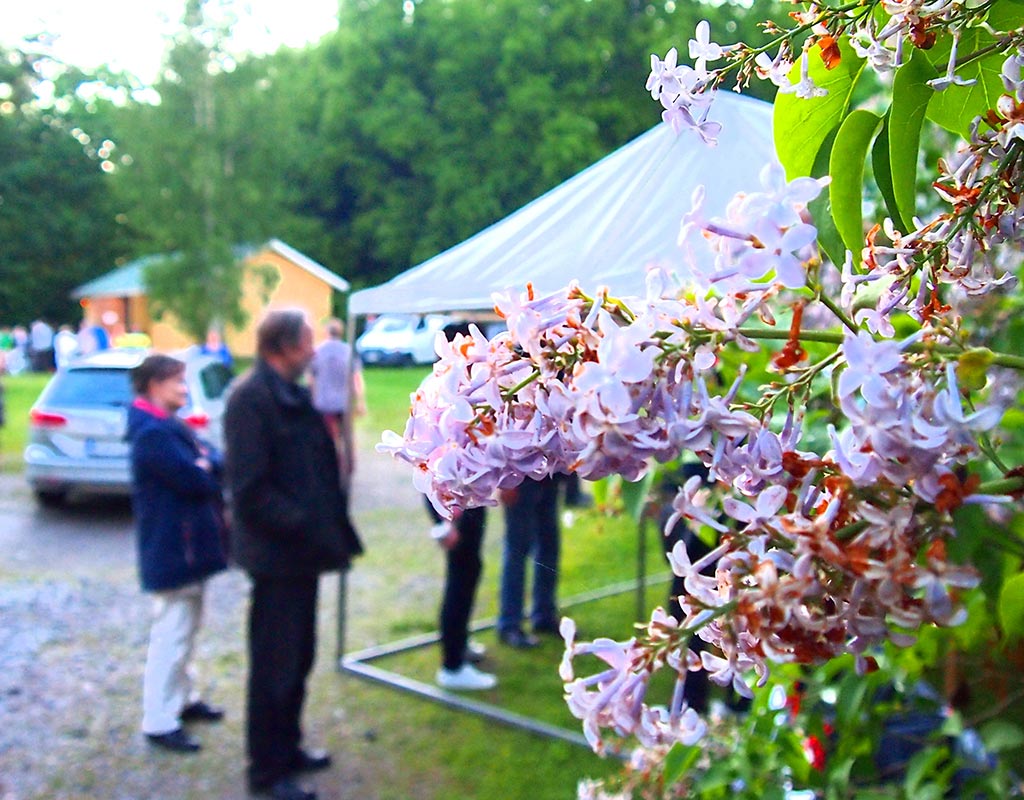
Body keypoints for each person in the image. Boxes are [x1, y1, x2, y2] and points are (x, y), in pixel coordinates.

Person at [225, 309, 363, 800]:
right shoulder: (249, 400)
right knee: (274, 667)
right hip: (277, 558)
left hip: (302, 555)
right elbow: (249, 490)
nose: (314, 351)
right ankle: (266, 772)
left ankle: (289, 748)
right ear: (282, 346)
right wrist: (306, 522)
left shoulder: (293, 394)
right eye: (307, 342)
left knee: (299, 658)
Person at [126, 354, 229, 755]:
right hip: (174, 550)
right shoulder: (153, 434)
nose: (185, 390)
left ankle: (182, 699)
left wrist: (206, 465)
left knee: (185, 628)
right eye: (177, 382)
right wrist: (203, 467)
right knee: (171, 633)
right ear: (154, 384)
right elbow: (197, 478)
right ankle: (159, 719)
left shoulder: (167, 425)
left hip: (185, 547)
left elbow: (213, 460)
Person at [497, 475, 562, 648]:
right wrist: (505, 482)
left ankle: (544, 614)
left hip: (550, 475)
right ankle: (510, 624)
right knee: (517, 551)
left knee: (550, 545)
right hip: (519, 480)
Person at [308, 317, 365, 476]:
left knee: (328, 437)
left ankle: (331, 466)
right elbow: (356, 379)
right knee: (347, 436)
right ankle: (349, 465)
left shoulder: (317, 352)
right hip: (344, 402)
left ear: (326, 332)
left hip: (324, 402)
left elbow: (311, 379)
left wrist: (312, 398)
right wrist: (360, 401)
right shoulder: (348, 352)